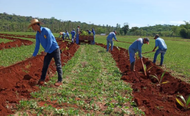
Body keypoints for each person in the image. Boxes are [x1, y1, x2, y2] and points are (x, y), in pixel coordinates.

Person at [28, 19, 63, 86]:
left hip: (55, 49)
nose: (32, 28)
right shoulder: (37, 35)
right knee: (45, 66)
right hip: (48, 51)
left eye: (33, 26)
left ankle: (59, 80)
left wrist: (45, 51)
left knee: (58, 65)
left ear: (36, 25)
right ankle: (42, 79)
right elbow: (37, 46)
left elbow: (50, 42)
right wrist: (34, 55)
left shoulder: (46, 30)